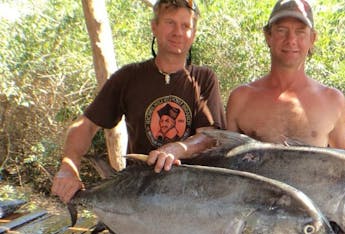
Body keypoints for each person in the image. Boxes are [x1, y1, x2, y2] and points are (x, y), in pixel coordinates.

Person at [52, 0, 225, 203]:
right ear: (154, 27)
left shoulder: (204, 78)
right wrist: (68, 166)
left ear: (193, 34)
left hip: (191, 198)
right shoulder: (128, 77)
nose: (178, 32)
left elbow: (210, 136)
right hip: (137, 197)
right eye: (170, 22)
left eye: (186, 25)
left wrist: (179, 148)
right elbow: (86, 125)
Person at [226, 0, 345, 149]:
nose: (291, 40)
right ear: (268, 36)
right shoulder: (241, 99)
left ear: (312, 39)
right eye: (281, 30)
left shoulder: (333, 101)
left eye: (300, 32)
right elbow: (227, 161)